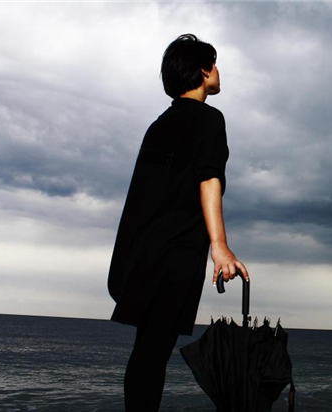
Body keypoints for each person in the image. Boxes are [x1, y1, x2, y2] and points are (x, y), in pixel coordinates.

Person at [106, 33, 249, 411]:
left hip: (142, 255)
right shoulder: (209, 119)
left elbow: (141, 198)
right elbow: (209, 178)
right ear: (203, 71)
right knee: (153, 354)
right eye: (214, 64)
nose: (218, 71)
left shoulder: (159, 125)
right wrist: (220, 247)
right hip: (174, 254)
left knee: (147, 352)